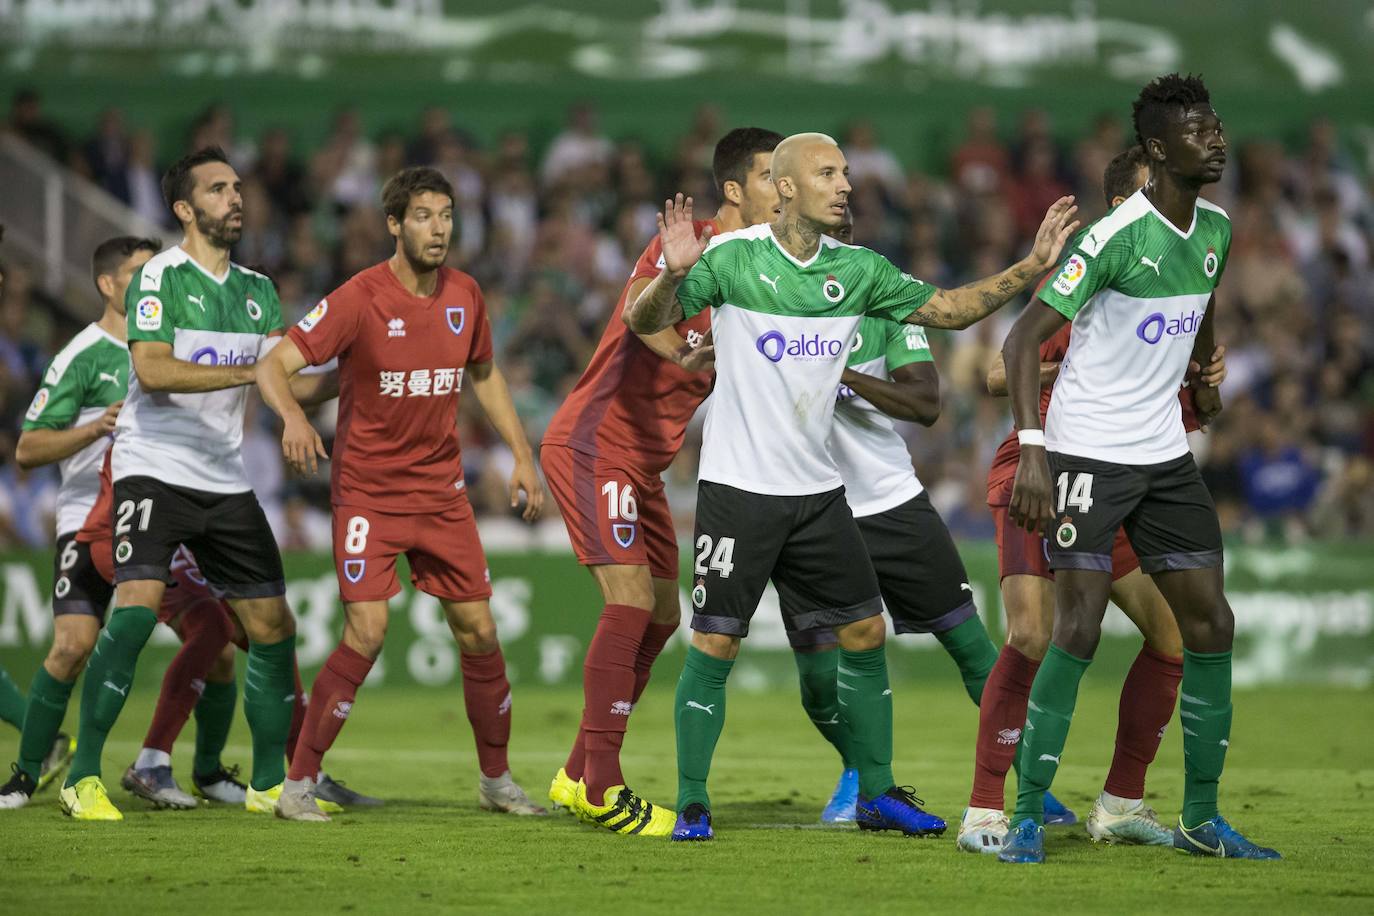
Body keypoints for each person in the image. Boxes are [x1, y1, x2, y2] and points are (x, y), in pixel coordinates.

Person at [624, 131, 1079, 841]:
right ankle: (692, 801)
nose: (845, 184)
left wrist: (1030, 266)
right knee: (714, 644)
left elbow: (953, 308)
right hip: (739, 491)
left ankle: (876, 793)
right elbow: (642, 321)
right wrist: (671, 278)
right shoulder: (731, 260)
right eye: (827, 173)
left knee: (865, 631)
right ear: (784, 189)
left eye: (845, 172)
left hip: (817, 494)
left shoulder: (859, 270)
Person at [997, 74, 1279, 863]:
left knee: (1211, 624)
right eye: (1197, 129)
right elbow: (1021, 343)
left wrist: (1200, 377)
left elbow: (1202, 303)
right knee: (1078, 630)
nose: (1216, 138)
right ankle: (1025, 814)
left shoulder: (1216, 229)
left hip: (1162, 455)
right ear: (1158, 151)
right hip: (1088, 449)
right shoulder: (1116, 235)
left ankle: (1200, 816)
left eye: (1216, 124)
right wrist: (1032, 450)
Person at [959, 145, 1228, 853]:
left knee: (1173, 635)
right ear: (1122, 206)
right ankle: (988, 809)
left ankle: (1120, 804)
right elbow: (995, 370)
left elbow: (1196, 402)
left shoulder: (1174, 274)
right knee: (1032, 635)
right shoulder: (1094, 274)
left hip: (1128, 478)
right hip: (1042, 469)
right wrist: (1074, 372)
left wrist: (1201, 383)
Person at [257, 166, 547, 821]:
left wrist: (523, 456)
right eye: (423, 215)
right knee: (367, 628)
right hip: (368, 496)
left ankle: (496, 780)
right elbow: (273, 365)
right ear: (394, 224)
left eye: (446, 214)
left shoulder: (466, 295)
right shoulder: (360, 297)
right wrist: (296, 418)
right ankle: (299, 785)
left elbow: (485, 375)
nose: (439, 227)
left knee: (479, 630)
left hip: (442, 495)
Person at [781, 212, 1071, 828]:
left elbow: (926, 402)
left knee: (972, 648)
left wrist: (847, 377)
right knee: (817, 677)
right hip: (804, 505)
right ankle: (859, 774)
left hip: (890, 502)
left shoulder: (883, 307)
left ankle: (1030, 784)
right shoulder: (768, 303)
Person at [540, 127, 782, 837]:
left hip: (641, 462)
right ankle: (605, 789)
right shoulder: (694, 243)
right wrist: (685, 343)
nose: (784, 188)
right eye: (772, 175)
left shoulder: (763, 273)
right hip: (594, 442)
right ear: (736, 188)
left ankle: (577, 772)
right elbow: (641, 315)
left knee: (664, 618)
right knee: (631, 600)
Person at [59, 147, 305, 821]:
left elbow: (290, 379)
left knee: (271, 624)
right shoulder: (158, 279)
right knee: (135, 610)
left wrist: (365, 374)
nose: (235, 198)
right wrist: (254, 375)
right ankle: (82, 779)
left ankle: (269, 784)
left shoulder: (259, 290)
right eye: (219, 189)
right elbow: (157, 371)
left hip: (224, 479)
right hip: (154, 468)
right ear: (185, 208)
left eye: (237, 187)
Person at [1, 237, 156, 809]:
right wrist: (95, 428)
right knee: (72, 645)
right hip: (87, 514)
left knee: (216, 642)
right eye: (139, 272)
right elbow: (28, 447)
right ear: (107, 285)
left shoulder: (166, 344)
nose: (151, 282)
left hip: (157, 516)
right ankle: (24, 775)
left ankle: (193, 767)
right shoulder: (82, 356)